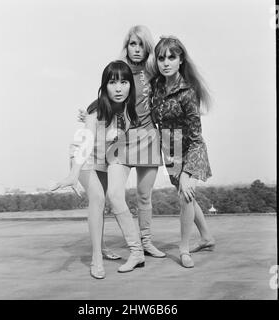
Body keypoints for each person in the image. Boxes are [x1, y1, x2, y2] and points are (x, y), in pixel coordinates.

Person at [78, 25, 166, 259]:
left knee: (144, 195)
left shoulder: (153, 72)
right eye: (132, 44)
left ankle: (146, 242)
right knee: (113, 194)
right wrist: (92, 111)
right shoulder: (121, 70)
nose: (137, 49)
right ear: (126, 45)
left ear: (148, 48)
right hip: (124, 139)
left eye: (141, 45)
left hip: (148, 137)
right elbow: (108, 94)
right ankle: (132, 245)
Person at [52, 60, 142, 278]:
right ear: (104, 86)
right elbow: (87, 140)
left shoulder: (130, 113)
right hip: (84, 159)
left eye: (123, 82)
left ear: (131, 84)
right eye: (112, 83)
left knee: (109, 199)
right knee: (98, 199)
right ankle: (96, 257)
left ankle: (108, 248)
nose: (118, 88)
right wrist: (74, 173)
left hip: (106, 160)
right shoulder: (96, 109)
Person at [150, 36, 215, 268]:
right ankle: (207, 238)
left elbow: (197, 137)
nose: (166, 62)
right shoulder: (156, 86)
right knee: (186, 194)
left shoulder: (188, 92)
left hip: (190, 149)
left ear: (180, 60)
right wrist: (95, 112)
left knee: (185, 194)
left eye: (171, 57)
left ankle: (184, 248)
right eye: (161, 58)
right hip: (170, 149)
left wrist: (188, 171)